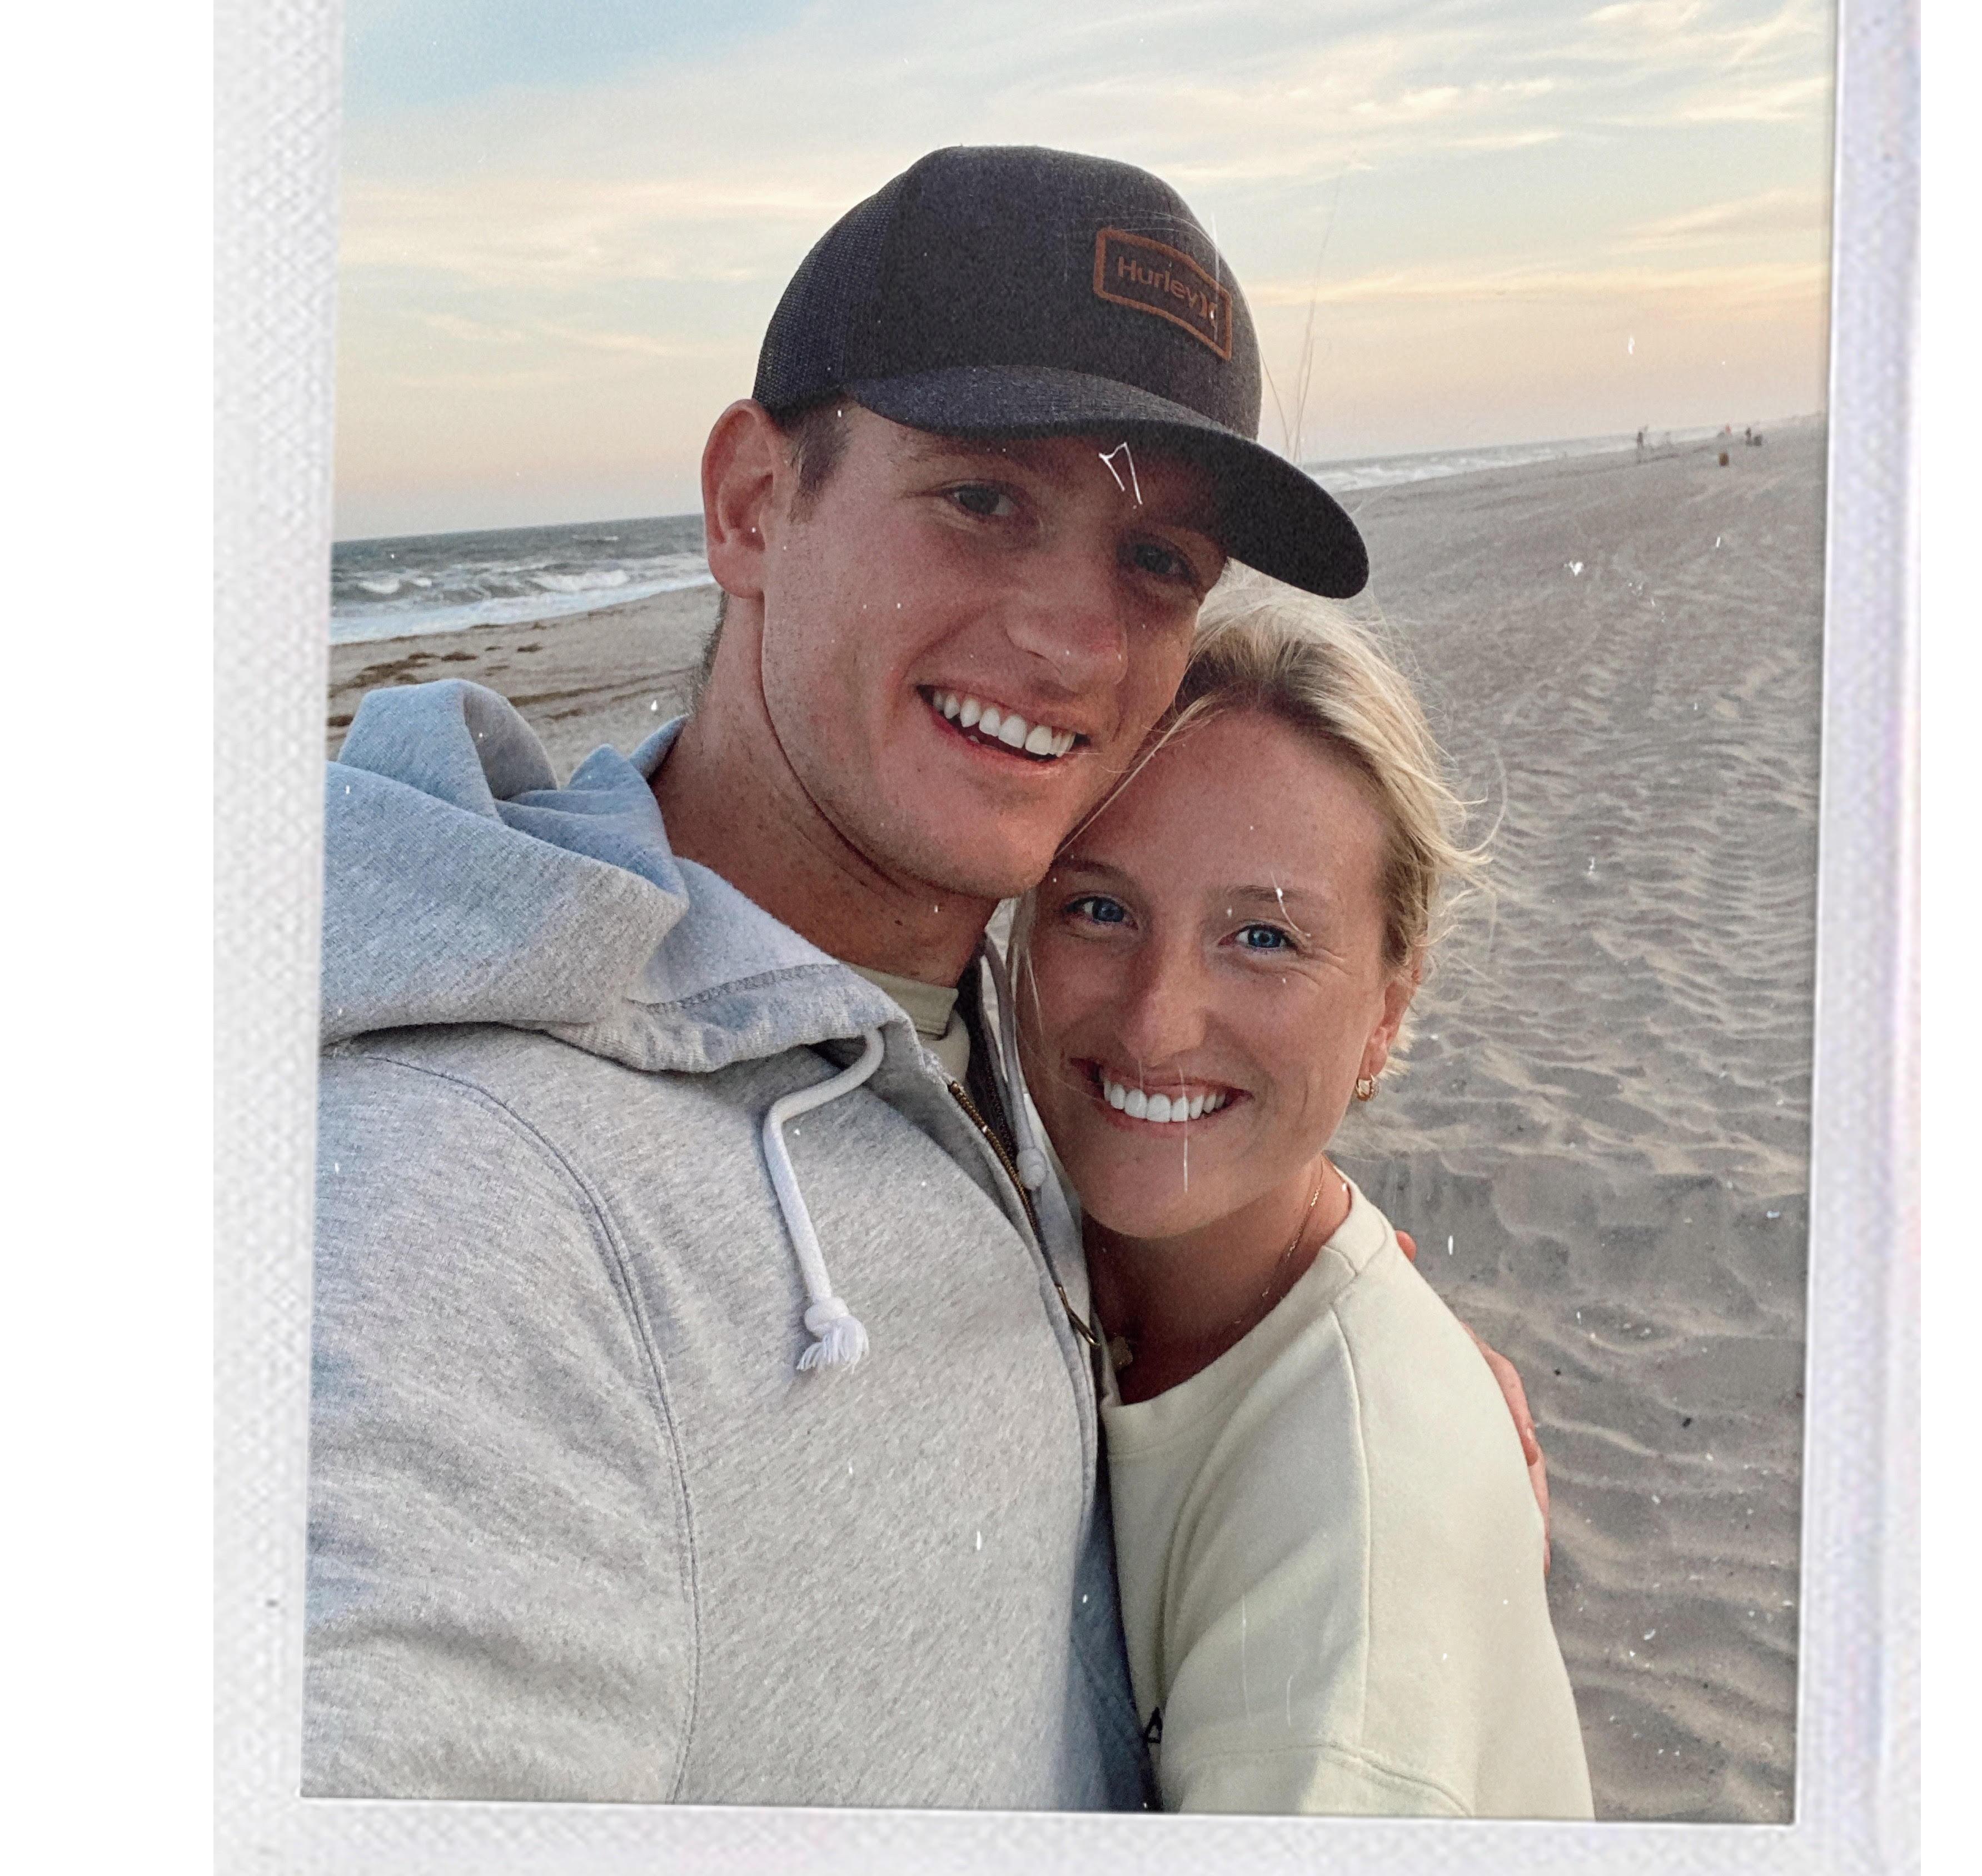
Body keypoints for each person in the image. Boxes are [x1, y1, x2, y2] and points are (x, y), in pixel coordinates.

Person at [305, 143, 1543, 1808]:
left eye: (1157, 563)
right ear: (755, 502)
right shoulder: (469, 1211)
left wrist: (1360, 1364)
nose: (1076, 643)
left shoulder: (978, 1013)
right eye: (983, 500)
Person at [1011, 584, 1592, 1817]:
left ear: (1388, 1007)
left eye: (1265, 939)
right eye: (1100, 910)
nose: (1157, 1021)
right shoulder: (1076, 1241)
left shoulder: (1347, 1611)